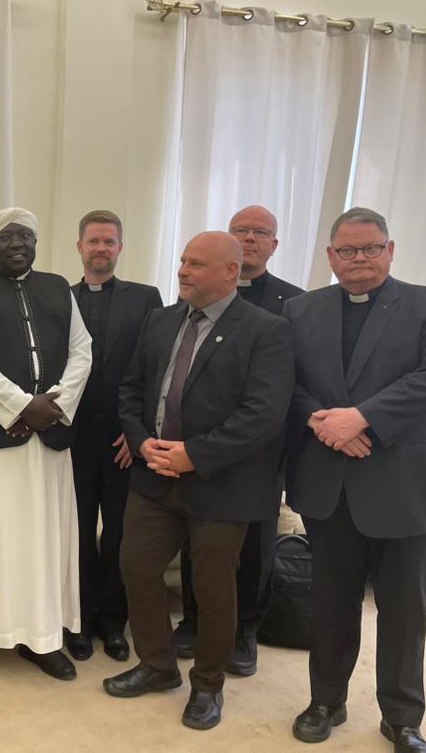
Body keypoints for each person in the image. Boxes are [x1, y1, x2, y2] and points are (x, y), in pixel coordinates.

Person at [104, 232, 293, 732]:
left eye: (196, 264)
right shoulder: (160, 319)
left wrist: (194, 455)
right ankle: (158, 665)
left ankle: (208, 686)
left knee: (212, 589)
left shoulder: (266, 330)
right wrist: (143, 441)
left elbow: (264, 413)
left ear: (230, 272)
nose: (183, 271)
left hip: (222, 484)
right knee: (136, 567)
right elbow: (131, 390)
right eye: (182, 260)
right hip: (153, 475)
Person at [285, 208, 426, 753]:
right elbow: (285, 382)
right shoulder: (299, 310)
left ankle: (402, 718)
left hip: (405, 481)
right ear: (330, 255)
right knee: (331, 602)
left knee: (405, 610)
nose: (359, 260)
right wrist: (323, 422)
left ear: (391, 249)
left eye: (370, 249)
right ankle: (325, 700)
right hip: (329, 481)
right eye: (347, 251)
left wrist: (363, 418)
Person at [0, 207, 92, 687]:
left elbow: (81, 351)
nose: (17, 244)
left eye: (25, 236)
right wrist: (22, 405)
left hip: (48, 438)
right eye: (6, 237)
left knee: (42, 540)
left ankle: (41, 637)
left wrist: (57, 403)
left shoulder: (57, 287)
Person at [174, 205, 303, 675]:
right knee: (197, 541)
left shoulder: (296, 304)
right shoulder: (192, 304)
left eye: (260, 232)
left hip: (261, 454)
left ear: (274, 244)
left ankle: (245, 630)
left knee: (256, 547)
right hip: (200, 451)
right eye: (240, 231)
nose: (250, 238)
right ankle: (193, 622)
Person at [68, 210, 162, 662]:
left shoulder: (147, 299)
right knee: (78, 535)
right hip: (72, 443)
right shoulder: (59, 298)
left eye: (109, 241)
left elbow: (156, 368)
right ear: (80, 247)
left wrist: (137, 431)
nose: (101, 248)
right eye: (93, 241)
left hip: (125, 443)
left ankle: (113, 624)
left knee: (122, 537)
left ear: (121, 248)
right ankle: (80, 622)